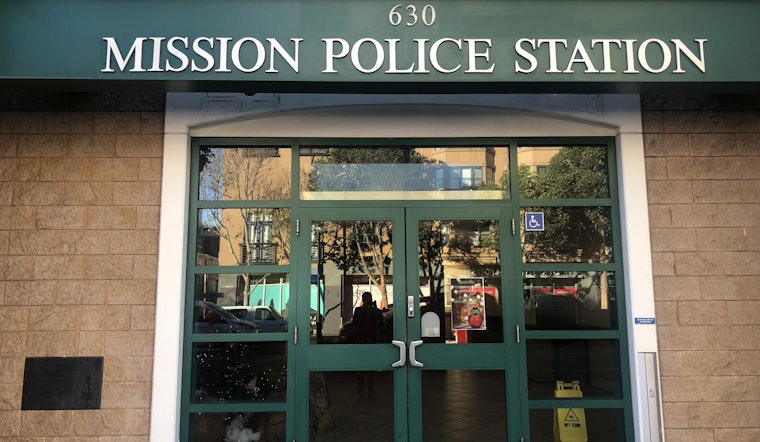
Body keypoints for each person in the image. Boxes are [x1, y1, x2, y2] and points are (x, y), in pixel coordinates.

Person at [352, 291, 382, 399]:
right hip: (363, 342)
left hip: (369, 342)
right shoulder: (360, 311)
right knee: (363, 370)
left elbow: (380, 323)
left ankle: (369, 392)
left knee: (369, 370)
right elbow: (355, 324)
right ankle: (364, 392)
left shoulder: (373, 311)